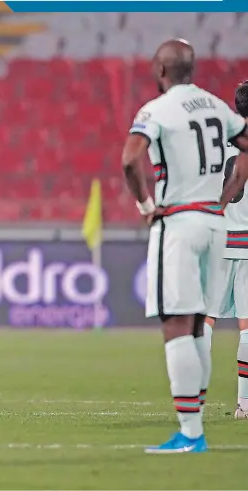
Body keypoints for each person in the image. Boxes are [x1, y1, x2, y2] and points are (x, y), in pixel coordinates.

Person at [121, 38, 248, 453]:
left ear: (161, 71)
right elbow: (244, 142)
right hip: (216, 225)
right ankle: (196, 420)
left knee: (179, 324)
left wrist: (146, 205)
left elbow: (129, 158)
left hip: (178, 219)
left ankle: (191, 432)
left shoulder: (156, 110)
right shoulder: (216, 106)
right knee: (198, 327)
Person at [205, 80, 248, 419]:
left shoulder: (218, 144)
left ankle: (194, 402)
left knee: (205, 323)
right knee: (247, 328)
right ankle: (244, 405)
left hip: (218, 242)